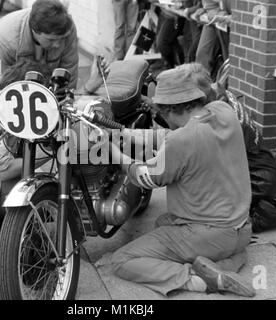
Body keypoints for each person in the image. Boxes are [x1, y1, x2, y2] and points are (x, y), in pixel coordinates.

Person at [0, 56, 109, 273]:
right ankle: (1, 251)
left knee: (39, 171)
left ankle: (12, 241)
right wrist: (56, 153)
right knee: (36, 185)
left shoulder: (7, 104)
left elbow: (56, 109)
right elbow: (3, 169)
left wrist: (89, 86)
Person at [108, 65, 256, 297]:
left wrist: (117, 156)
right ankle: (230, 261)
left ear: (168, 110)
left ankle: (197, 280)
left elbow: (147, 177)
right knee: (165, 221)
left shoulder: (181, 140)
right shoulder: (222, 111)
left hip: (209, 235)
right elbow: (179, 137)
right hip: (241, 228)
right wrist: (129, 134)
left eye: (162, 113)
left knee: (121, 260)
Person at [184, 62, 276, 233]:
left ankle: (260, 216)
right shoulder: (221, 94)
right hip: (264, 172)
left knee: (207, 208)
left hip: (258, 180)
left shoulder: (214, 113)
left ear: (198, 92)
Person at [0, 0, 79, 89]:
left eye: (61, 39)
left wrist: (66, 100)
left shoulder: (67, 28)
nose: (58, 45)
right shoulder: (5, 39)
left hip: (43, 70)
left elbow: (69, 70)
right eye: (51, 40)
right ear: (35, 30)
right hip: (0, 72)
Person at [195, 0, 231, 76]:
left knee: (228, 61)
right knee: (202, 55)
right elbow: (210, 6)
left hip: (231, 19)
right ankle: (201, 85)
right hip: (216, 19)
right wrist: (213, 12)